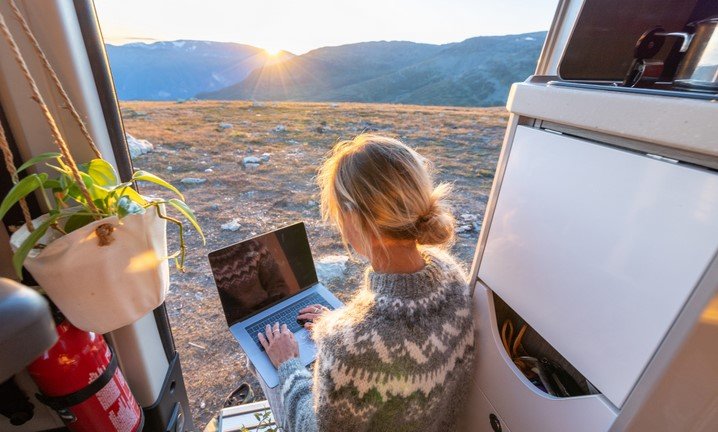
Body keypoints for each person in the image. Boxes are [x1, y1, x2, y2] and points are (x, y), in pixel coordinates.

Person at [256, 134, 476, 431]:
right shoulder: (452, 275)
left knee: (262, 366)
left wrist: (289, 365)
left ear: (352, 217)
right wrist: (341, 324)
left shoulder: (348, 345)